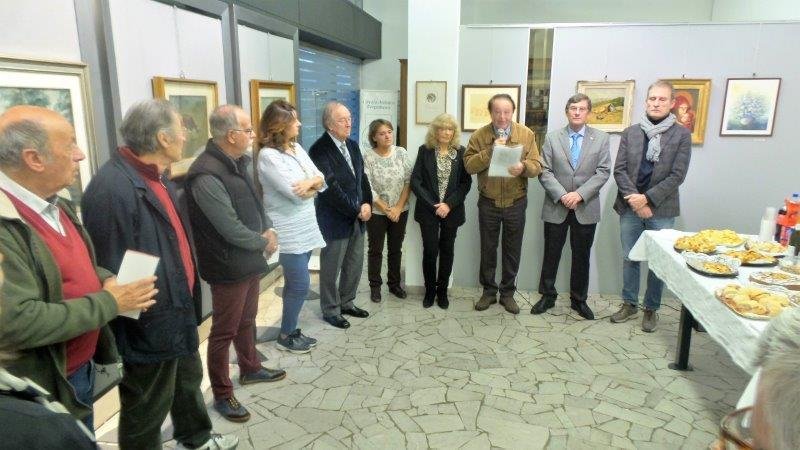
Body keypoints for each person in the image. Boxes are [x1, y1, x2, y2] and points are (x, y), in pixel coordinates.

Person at [82, 99, 237, 450]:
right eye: (181, 130)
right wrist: (140, 329)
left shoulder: (155, 176)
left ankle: (196, 439)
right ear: (163, 138)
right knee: (146, 406)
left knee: (187, 380)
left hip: (176, 307)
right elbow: (111, 270)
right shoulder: (112, 189)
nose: (186, 136)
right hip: (149, 322)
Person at [0, 105, 156, 432]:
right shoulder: (5, 223)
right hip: (43, 385)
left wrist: (105, 278)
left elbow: (72, 264)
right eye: (70, 144)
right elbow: (15, 321)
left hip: (76, 371)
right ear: (34, 159)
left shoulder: (55, 202)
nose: (80, 154)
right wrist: (111, 302)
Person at [185, 104, 286, 423]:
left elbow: (255, 203)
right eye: (248, 130)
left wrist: (269, 228)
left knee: (247, 319)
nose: (253, 135)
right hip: (227, 265)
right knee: (223, 331)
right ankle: (222, 392)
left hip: (248, 258)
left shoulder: (238, 162)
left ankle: (250, 367)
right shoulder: (205, 174)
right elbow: (227, 226)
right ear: (231, 135)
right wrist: (263, 241)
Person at [610, 80, 692, 332]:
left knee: (658, 261)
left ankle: (651, 308)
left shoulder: (681, 135)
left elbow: (677, 175)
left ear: (672, 103)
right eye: (652, 99)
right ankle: (629, 304)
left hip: (661, 209)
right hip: (630, 206)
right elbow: (620, 170)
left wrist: (647, 199)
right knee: (630, 257)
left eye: (662, 99)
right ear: (646, 102)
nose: (656, 103)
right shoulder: (631, 132)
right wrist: (636, 201)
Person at [0, 253, 98, 449]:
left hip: (82, 365)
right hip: (57, 374)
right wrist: (109, 302)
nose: (2, 257)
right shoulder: (40, 430)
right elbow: (21, 320)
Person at [532, 94, 610, 320]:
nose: (577, 112)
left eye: (582, 108)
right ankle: (547, 295)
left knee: (582, 256)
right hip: (556, 205)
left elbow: (603, 171)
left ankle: (579, 299)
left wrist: (579, 195)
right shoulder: (552, 138)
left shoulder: (601, 138)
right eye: (573, 108)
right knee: (551, 254)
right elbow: (544, 171)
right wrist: (563, 195)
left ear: (589, 113)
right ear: (567, 111)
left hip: (585, 207)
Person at [257, 100, 325, 353]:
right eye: (294, 120)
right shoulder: (268, 156)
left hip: (306, 224)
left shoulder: (296, 148)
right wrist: (311, 186)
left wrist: (310, 183)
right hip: (288, 230)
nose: (299, 124)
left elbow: (321, 178)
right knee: (300, 284)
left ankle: (290, 328)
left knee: (294, 283)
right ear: (280, 125)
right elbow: (295, 194)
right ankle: (286, 335)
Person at [464, 93, 542, 314]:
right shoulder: (479, 135)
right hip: (488, 201)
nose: (502, 116)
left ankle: (507, 294)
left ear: (513, 112)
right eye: (497, 112)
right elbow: (469, 166)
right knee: (488, 248)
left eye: (506, 112)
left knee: (512, 250)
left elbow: (537, 166)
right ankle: (489, 292)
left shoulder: (526, 134)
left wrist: (524, 167)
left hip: (516, 201)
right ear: (490, 112)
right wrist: (489, 152)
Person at [308, 101, 373, 329]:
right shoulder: (319, 150)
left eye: (349, 118)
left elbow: (362, 178)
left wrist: (367, 203)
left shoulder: (352, 145)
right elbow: (331, 189)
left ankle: (347, 302)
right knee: (331, 267)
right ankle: (331, 309)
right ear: (329, 124)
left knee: (354, 264)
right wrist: (356, 209)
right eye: (342, 120)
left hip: (358, 217)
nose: (348, 123)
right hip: (334, 219)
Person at [410, 114, 472, 309]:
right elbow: (416, 181)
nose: (446, 132)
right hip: (428, 211)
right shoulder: (425, 151)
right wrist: (434, 205)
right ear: (435, 131)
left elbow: (465, 183)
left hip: (452, 211)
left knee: (447, 251)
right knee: (430, 251)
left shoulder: (461, 153)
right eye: (442, 128)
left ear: (454, 132)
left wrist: (448, 205)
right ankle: (430, 291)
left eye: (450, 129)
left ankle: (442, 292)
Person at [363, 119, 411, 302]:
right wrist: (384, 207)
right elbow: (366, 185)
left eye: (389, 132)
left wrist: (397, 208)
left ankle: (394, 284)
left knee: (395, 249)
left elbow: (408, 181)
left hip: (400, 210)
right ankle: (375, 287)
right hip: (376, 212)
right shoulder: (368, 156)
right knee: (375, 250)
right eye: (382, 133)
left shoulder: (401, 153)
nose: (387, 136)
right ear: (374, 137)